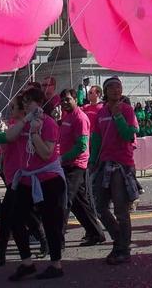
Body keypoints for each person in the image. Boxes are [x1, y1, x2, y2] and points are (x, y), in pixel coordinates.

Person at [0, 86, 67, 281]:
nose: (25, 105)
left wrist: (35, 133)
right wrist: (26, 120)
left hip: (49, 179)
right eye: (23, 102)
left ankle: (56, 264)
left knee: (51, 221)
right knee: (14, 218)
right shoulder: (23, 123)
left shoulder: (49, 124)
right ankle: (27, 262)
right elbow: (8, 137)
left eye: (29, 101)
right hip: (26, 178)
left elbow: (45, 153)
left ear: (39, 102)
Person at [89, 76, 140, 265]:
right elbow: (96, 139)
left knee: (121, 210)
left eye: (118, 87)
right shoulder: (101, 113)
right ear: (105, 91)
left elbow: (128, 135)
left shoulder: (127, 110)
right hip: (104, 164)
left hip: (121, 165)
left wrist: (118, 116)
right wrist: (93, 161)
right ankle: (119, 240)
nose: (116, 90)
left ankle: (123, 249)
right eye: (111, 87)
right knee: (100, 207)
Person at [57, 89, 106, 246]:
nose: (65, 102)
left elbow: (82, 146)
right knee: (79, 204)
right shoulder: (67, 117)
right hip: (66, 164)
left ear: (75, 100)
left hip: (76, 165)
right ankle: (96, 233)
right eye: (62, 100)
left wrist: (62, 158)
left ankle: (58, 240)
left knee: (63, 201)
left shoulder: (80, 118)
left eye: (68, 99)